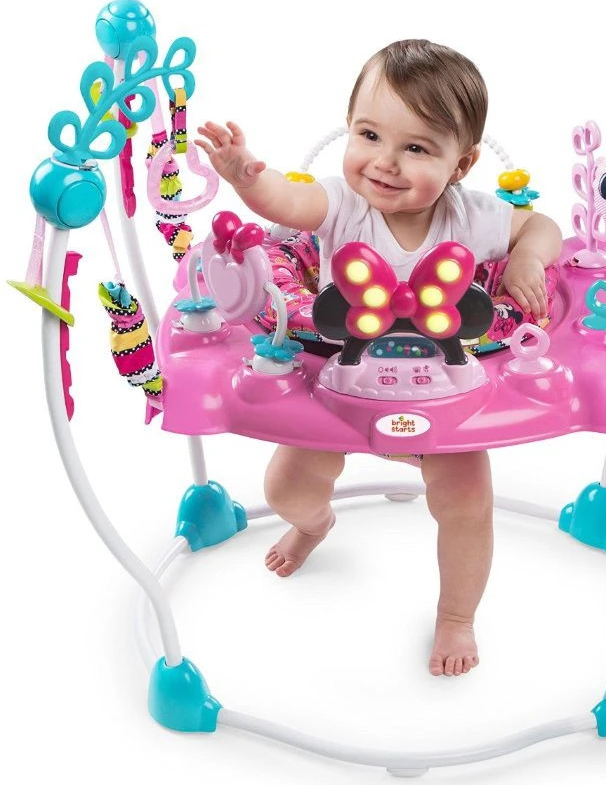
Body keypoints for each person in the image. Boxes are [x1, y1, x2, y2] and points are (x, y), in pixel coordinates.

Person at [196, 39, 562, 677]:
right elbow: (285, 203)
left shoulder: (471, 217)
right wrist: (248, 177)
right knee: (286, 488)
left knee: (467, 504)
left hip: (449, 382)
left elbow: (541, 226)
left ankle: (456, 616)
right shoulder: (340, 204)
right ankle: (314, 526)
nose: (385, 163)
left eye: (417, 148)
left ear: (461, 164)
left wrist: (527, 258)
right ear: (349, 129)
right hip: (337, 377)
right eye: (369, 135)